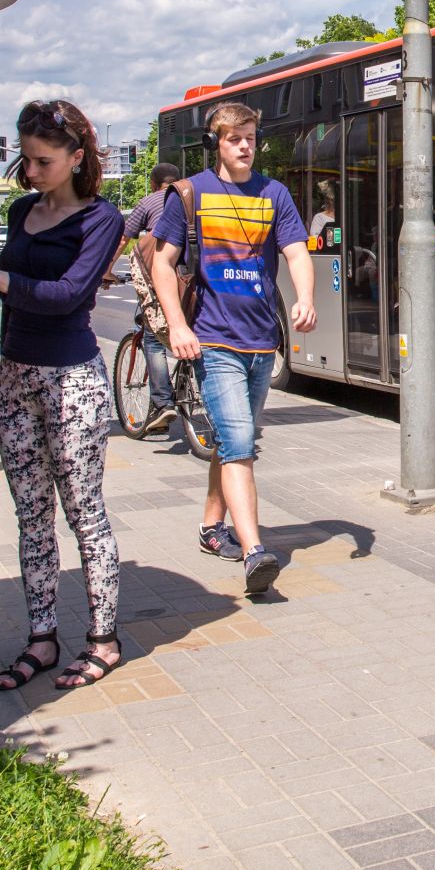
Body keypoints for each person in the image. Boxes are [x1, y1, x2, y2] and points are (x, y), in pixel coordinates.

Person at [0, 99, 127, 691]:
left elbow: (69, 295)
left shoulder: (101, 219)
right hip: (16, 379)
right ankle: (41, 638)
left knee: (85, 514)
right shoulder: (20, 210)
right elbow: (21, 297)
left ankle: (104, 640)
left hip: (72, 382)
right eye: (27, 160)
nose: (31, 172)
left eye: (44, 161)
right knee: (31, 517)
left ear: (76, 158)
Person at [151, 101, 317, 594]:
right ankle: (254, 551)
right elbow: (164, 265)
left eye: (250, 137)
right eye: (235, 138)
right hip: (213, 340)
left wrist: (305, 297)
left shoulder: (274, 194)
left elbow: (295, 251)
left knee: (229, 438)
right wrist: (178, 327)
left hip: (261, 341)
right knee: (241, 442)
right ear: (216, 144)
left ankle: (210, 527)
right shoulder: (190, 194)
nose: (245, 146)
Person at [111, 162, 184, 436]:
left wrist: (106, 270)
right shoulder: (190, 198)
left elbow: (123, 240)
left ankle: (163, 403)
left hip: (161, 276)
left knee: (153, 337)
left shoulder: (149, 201)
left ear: (154, 184)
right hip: (192, 277)